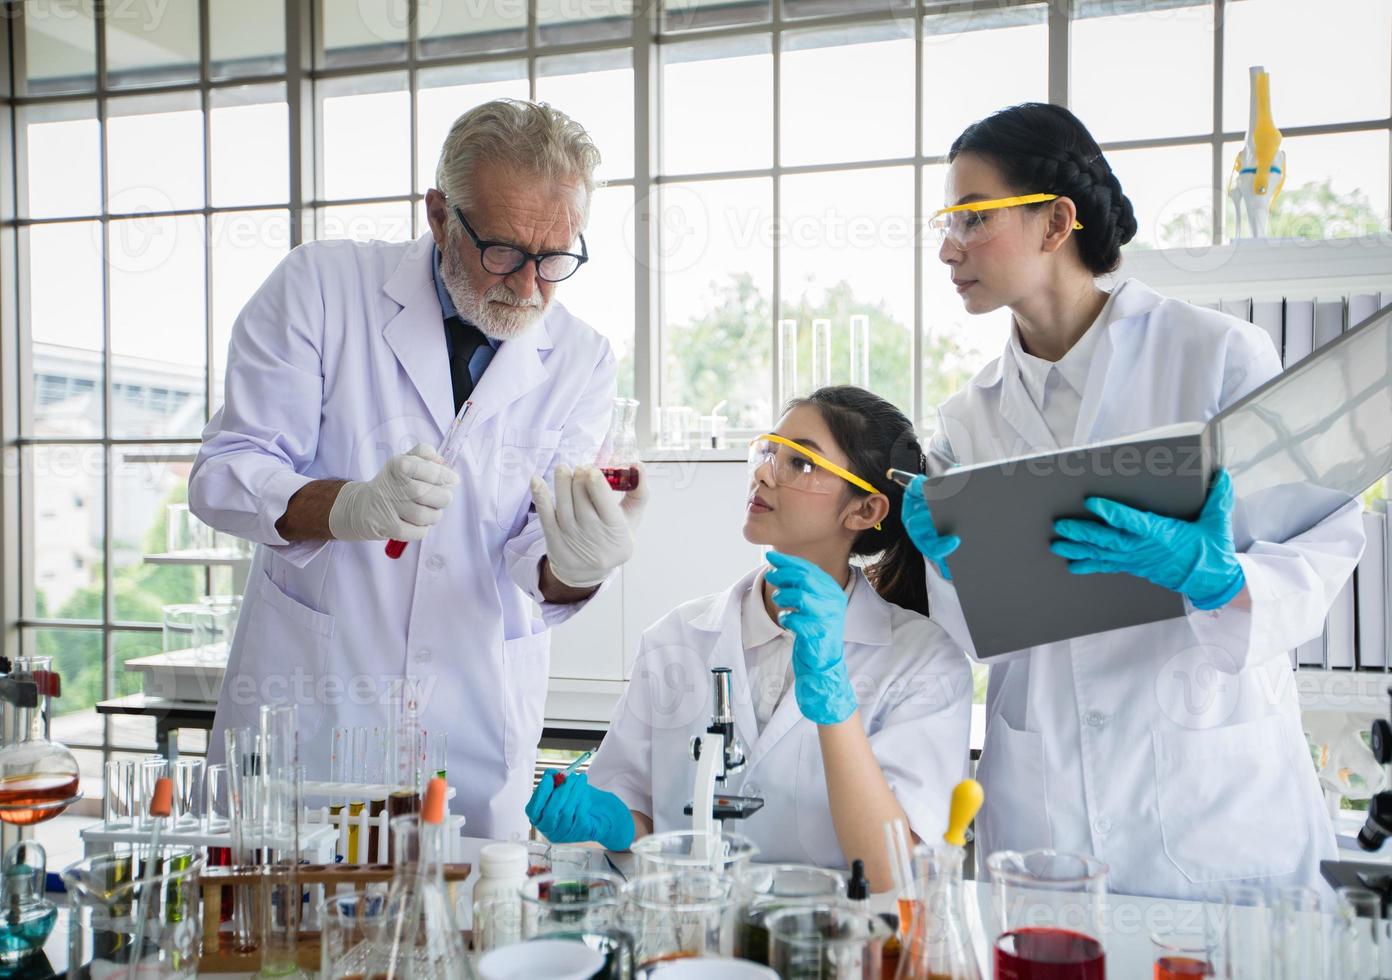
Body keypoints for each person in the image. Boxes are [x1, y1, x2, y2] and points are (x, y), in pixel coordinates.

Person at [902, 103, 1364, 899]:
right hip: (1046, 804)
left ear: (1056, 222)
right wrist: (945, 566)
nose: (948, 248)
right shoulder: (965, 418)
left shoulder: (1218, 356)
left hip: (1210, 787)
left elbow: (1324, 540)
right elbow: (972, 639)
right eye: (946, 223)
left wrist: (1222, 581)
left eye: (971, 219)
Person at [189, 99, 648, 837]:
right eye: (502, 251)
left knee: (463, 937)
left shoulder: (582, 358)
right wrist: (347, 507)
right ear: (439, 215)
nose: (529, 286)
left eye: (556, 258)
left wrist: (581, 561)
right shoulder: (322, 287)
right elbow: (225, 471)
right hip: (312, 719)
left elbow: (538, 560)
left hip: (470, 731)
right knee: (276, 939)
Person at [525, 386, 973, 886]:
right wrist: (607, 821)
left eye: (800, 462)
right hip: (691, 940)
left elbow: (895, 872)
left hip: (831, 947)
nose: (763, 473)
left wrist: (836, 704)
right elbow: (640, 816)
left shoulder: (925, 661)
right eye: (769, 451)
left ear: (864, 511)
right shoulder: (676, 638)